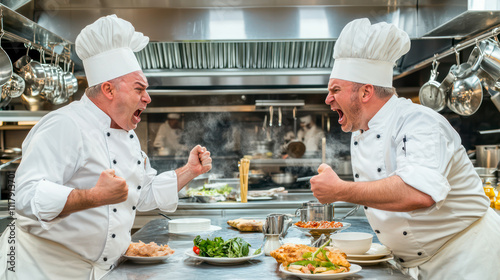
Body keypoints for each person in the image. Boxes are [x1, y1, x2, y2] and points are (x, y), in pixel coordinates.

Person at [0, 15, 212, 280]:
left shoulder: (125, 135)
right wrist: (94, 196)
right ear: (109, 90)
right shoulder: (65, 125)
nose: (147, 98)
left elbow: (141, 193)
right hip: (45, 270)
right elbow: (23, 196)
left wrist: (189, 171)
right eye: (139, 89)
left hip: (99, 271)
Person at [310, 18, 500, 280]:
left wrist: (340, 190)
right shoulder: (361, 131)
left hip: (467, 260)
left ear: (365, 92)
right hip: (412, 265)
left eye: (335, 90)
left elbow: (418, 192)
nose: (328, 99)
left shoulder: (419, 123)